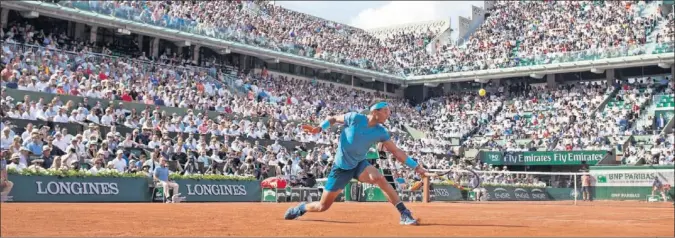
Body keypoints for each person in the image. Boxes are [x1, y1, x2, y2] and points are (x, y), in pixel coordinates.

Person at [283, 102, 427, 225]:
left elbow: (396, 152)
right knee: (322, 206)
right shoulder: (355, 117)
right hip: (341, 168)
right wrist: (319, 128)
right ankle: (301, 208)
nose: (388, 114)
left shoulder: (381, 132)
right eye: (385, 111)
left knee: (379, 178)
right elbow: (333, 119)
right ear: (375, 111)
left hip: (359, 164)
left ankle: (404, 213)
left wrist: (416, 167)